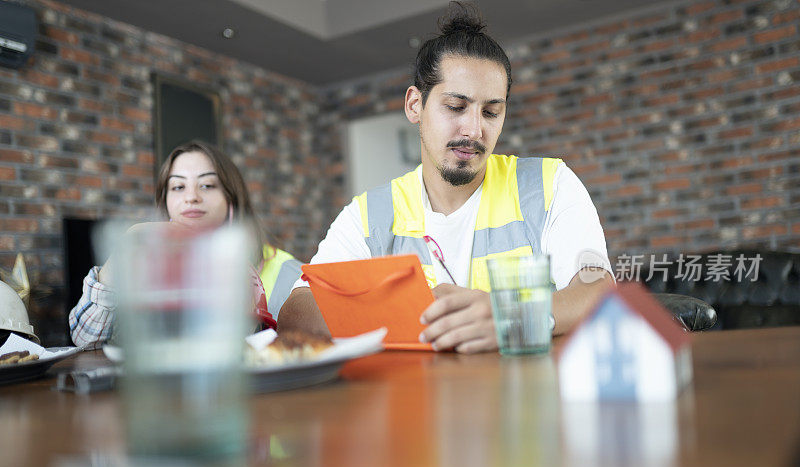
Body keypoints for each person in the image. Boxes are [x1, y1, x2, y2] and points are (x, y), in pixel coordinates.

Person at [279, 2, 615, 353]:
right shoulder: (369, 215)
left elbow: (597, 290)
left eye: (491, 112)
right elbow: (297, 313)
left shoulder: (549, 184)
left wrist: (513, 314)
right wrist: (402, 313)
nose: (473, 129)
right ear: (414, 106)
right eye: (456, 107)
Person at [69, 140, 301, 348]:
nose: (191, 197)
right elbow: (85, 339)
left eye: (207, 185)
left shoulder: (288, 273)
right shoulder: (146, 263)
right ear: (165, 203)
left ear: (232, 199)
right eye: (178, 187)